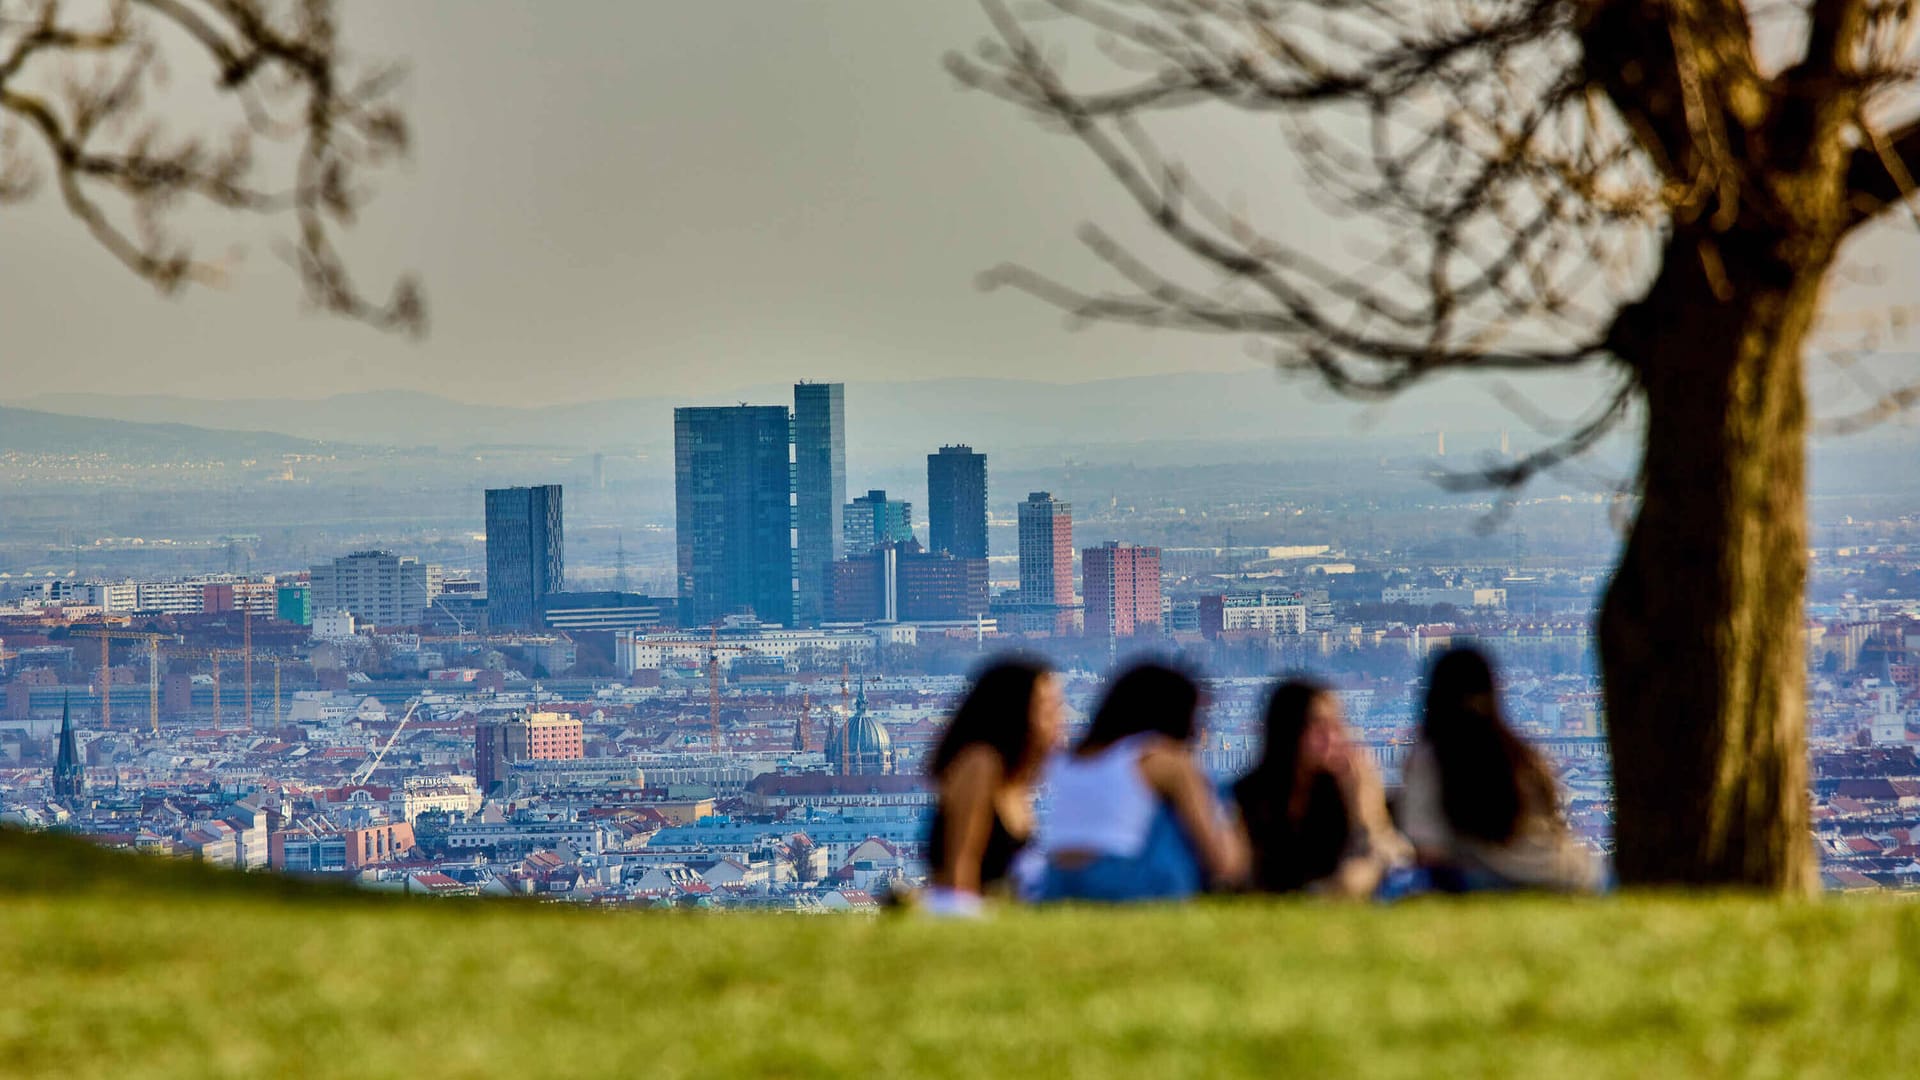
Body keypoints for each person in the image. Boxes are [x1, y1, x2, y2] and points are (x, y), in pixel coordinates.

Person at [1033, 662, 1248, 902]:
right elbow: (1226, 864)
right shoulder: (1163, 761)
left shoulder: (1068, 760)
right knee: (1172, 817)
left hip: (1056, 883)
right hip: (1126, 883)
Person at [1400, 647, 1602, 892]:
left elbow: (1430, 850)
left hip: (1487, 881)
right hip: (1566, 875)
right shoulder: (1524, 756)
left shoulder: (1430, 761)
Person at [1230, 679, 1410, 897]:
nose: (1331, 738)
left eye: (1336, 726)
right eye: (1318, 726)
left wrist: (1362, 802)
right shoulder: (1252, 795)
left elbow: (1387, 856)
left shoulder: (1345, 788)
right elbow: (1238, 871)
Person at [921, 659, 1064, 916]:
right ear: (1015, 710)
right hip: (964, 915)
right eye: (1046, 708)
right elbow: (960, 867)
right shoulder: (980, 764)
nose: (1058, 718)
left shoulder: (1016, 780)